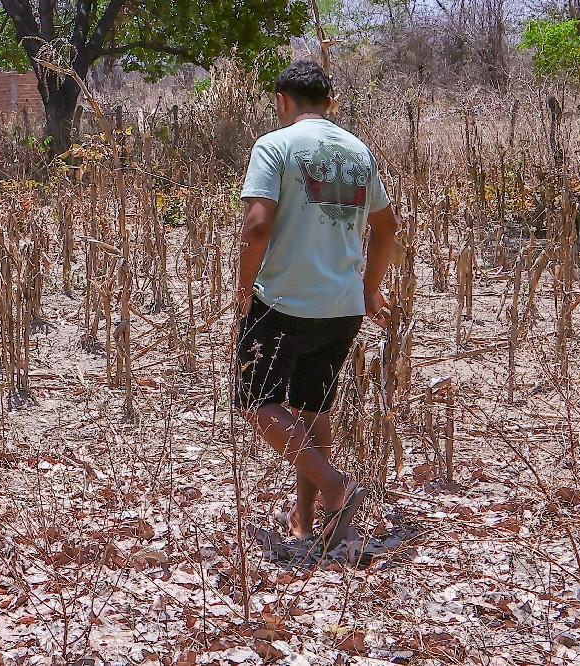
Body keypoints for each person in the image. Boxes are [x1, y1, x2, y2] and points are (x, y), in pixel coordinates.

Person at [235, 61, 398, 551]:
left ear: (283, 101)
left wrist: (244, 287)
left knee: (255, 403)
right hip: (342, 308)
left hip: (283, 301)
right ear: (331, 102)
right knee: (312, 407)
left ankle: (336, 486)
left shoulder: (275, 145)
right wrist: (370, 289)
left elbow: (258, 226)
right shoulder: (357, 151)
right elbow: (387, 228)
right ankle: (309, 525)